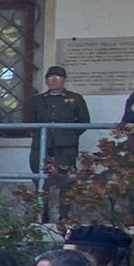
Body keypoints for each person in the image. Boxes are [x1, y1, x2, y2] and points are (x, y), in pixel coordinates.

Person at [26, 66, 91, 221]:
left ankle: (64, 217)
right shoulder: (37, 100)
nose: (54, 80)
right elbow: (29, 123)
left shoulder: (76, 98)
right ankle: (42, 217)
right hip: (42, 147)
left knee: (66, 182)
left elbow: (84, 122)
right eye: (50, 77)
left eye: (57, 76)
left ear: (64, 79)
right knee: (41, 182)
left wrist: (67, 137)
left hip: (65, 148)